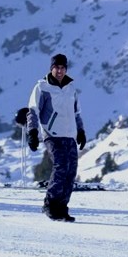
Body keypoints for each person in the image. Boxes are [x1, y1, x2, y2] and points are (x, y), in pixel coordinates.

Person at [26, 53, 87, 222]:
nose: (59, 71)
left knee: (71, 172)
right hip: (52, 134)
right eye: (56, 68)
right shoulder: (42, 87)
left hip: (70, 135)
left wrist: (80, 131)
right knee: (61, 166)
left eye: (62, 68)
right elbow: (33, 110)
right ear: (51, 68)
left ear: (66, 69)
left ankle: (62, 207)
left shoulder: (71, 88)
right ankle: (50, 204)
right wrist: (32, 132)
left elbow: (77, 112)